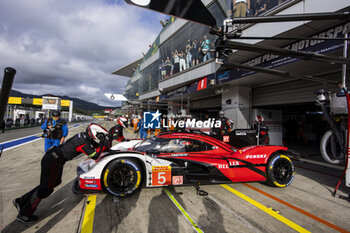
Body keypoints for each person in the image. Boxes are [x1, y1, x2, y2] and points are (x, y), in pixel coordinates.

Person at [12, 123, 116, 223]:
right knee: (46, 188)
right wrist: (102, 143)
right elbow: (94, 155)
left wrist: (104, 143)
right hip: (53, 160)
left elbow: (94, 147)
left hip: (55, 159)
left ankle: (21, 201)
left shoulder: (84, 137)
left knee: (55, 182)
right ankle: (25, 213)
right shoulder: (83, 142)